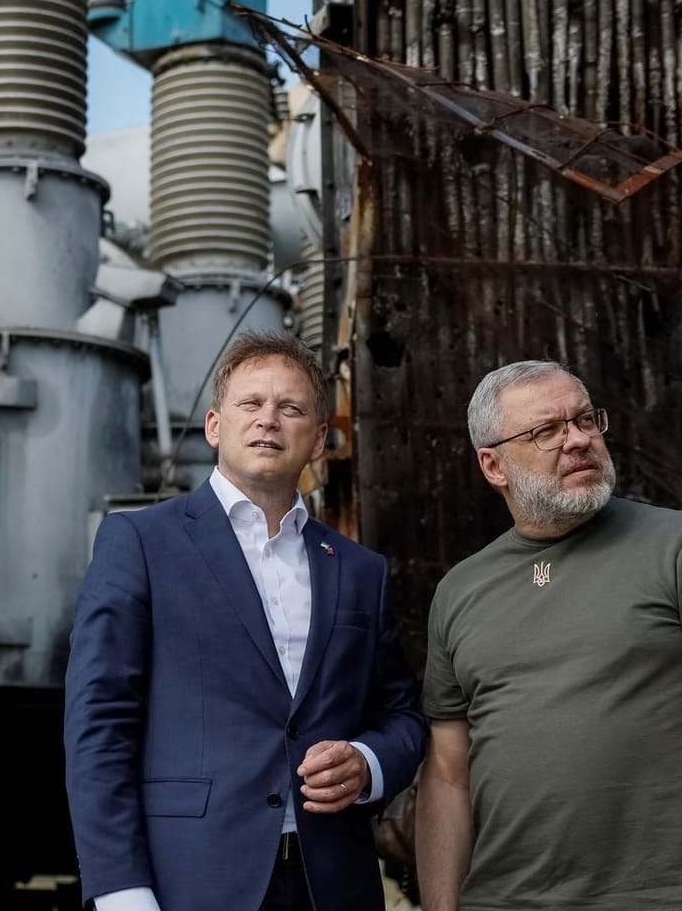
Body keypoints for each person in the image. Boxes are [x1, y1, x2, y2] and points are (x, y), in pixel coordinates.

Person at [65, 330, 426, 911]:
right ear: (214, 426)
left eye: (291, 408)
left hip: (331, 883)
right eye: (251, 404)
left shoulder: (361, 570)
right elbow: (99, 723)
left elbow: (402, 714)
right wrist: (119, 889)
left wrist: (369, 762)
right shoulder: (139, 541)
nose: (269, 420)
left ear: (316, 440)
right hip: (189, 880)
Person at [415, 360, 682, 911]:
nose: (578, 440)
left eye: (586, 420)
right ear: (493, 465)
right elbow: (447, 775)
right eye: (547, 431)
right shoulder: (459, 590)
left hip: (668, 899)